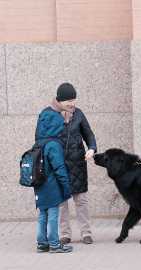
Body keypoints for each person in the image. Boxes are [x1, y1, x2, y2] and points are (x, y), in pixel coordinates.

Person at [49, 83, 97, 245]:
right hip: (59, 165)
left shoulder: (79, 114)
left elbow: (89, 134)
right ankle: (65, 234)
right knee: (62, 202)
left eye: (74, 99)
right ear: (60, 100)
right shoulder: (50, 115)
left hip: (77, 163)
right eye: (69, 100)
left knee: (81, 201)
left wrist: (92, 148)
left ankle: (86, 233)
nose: (72, 103)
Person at [34, 106, 72, 253]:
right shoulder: (53, 145)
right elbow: (59, 169)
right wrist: (66, 187)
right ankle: (54, 244)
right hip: (52, 186)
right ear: (55, 125)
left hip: (39, 184)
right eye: (60, 124)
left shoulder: (38, 143)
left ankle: (42, 243)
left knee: (43, 213)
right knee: (53, 214)